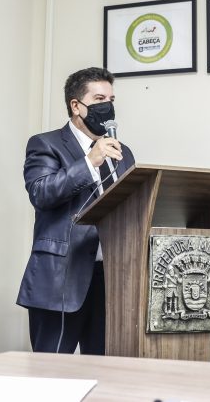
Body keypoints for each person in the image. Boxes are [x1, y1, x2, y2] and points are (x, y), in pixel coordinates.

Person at [17, 67, 135, 354]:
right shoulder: (45, 144)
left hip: (110, 280)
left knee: (105, 370)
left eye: (111, 98)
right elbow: (41, 193)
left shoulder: (123, 152)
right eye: (98, 98)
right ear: (76, 106)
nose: (107, 106)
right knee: (51, 375)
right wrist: (89, 162)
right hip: (60, 280)